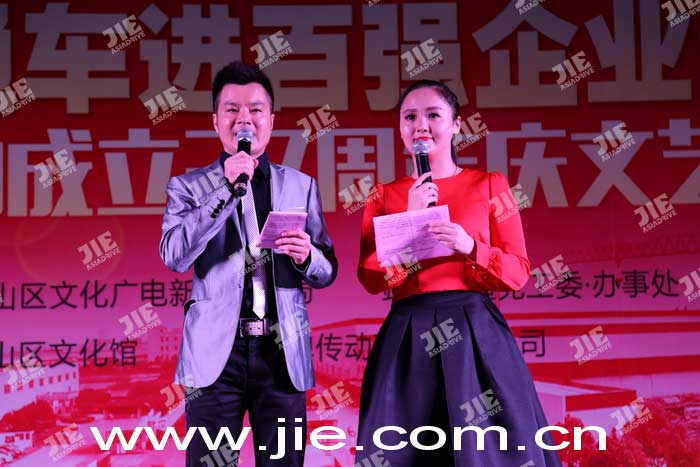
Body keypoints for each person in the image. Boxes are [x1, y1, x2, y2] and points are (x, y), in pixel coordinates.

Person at [355, 79, 561, 466]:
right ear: (400, 128)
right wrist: (410, 218)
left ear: (456, 125)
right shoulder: (385, 195)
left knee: (485, 451)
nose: (421, 125)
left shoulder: (488, 184)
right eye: (410, 117)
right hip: (409, 332)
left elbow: (518, 273)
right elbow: (370, 277)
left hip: (473, 330)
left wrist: (471, 247)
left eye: (433, 115)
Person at [159, 61, 337, 466]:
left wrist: (307, 256)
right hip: (214, 357)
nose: (244, 119)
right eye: (232, 110)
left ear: (271, 120)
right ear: (216, 121)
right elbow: (173, 255)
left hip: (281, 350)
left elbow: (327, 269)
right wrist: (225, 188)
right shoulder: (188, 187)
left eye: (255, 110)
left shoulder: (301, 185)